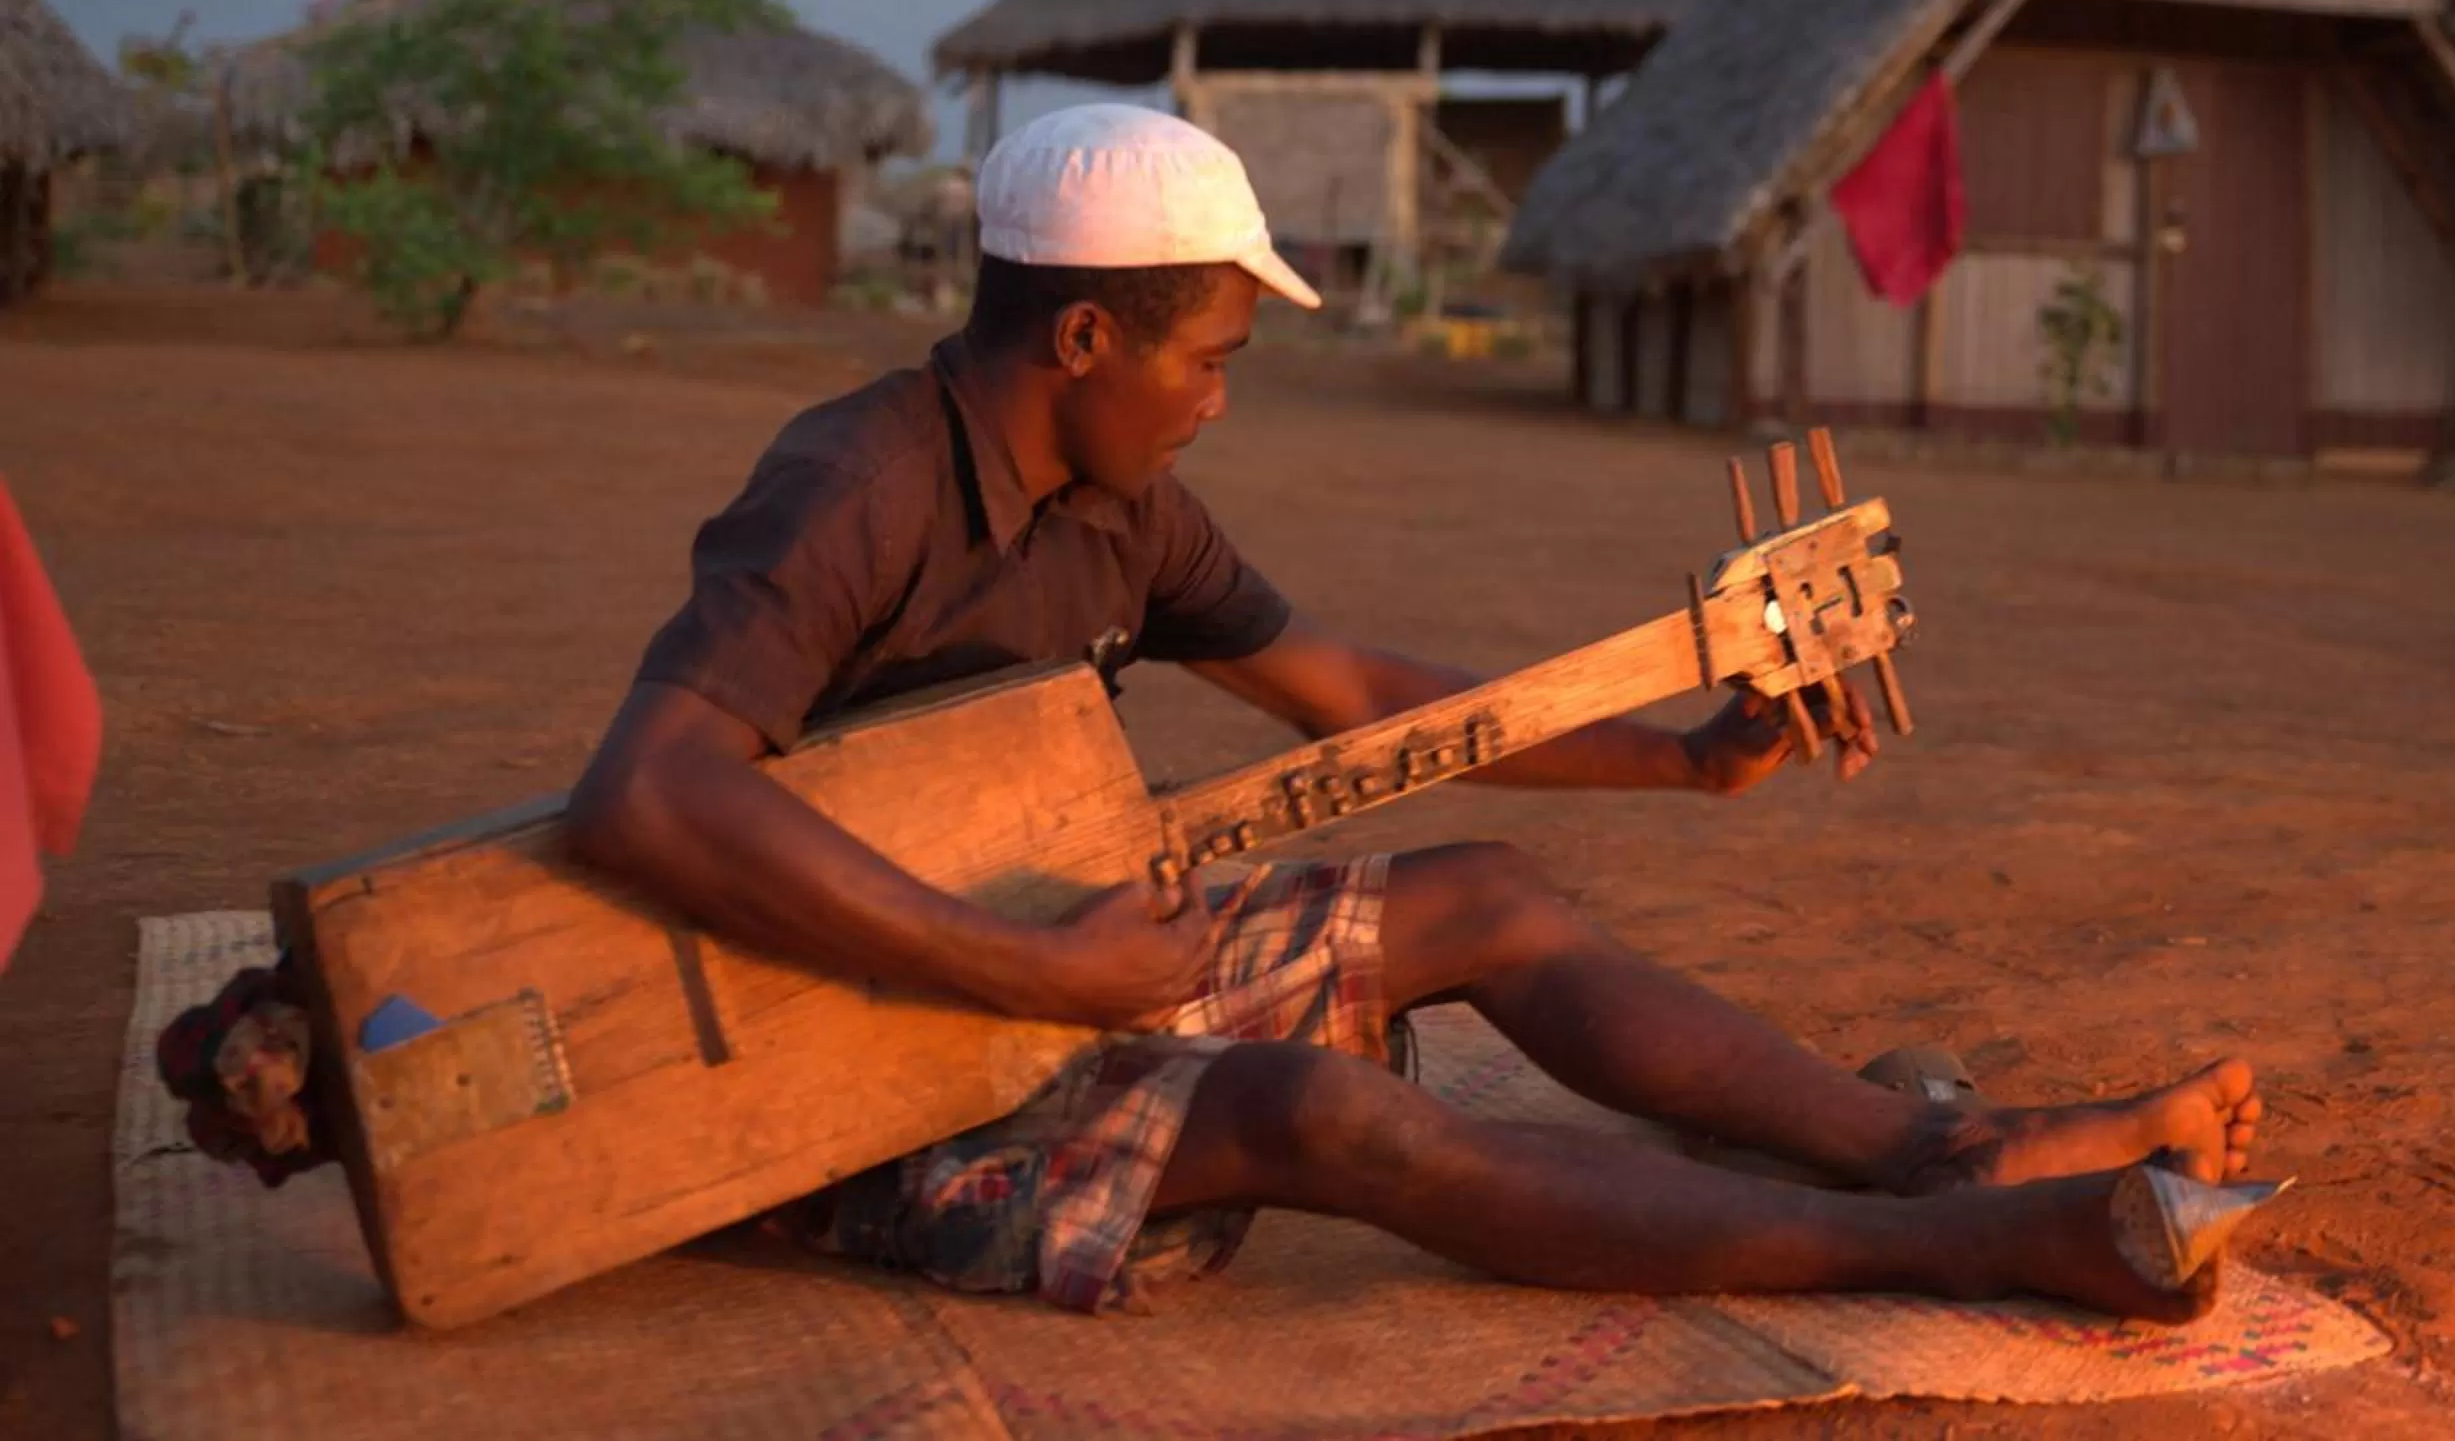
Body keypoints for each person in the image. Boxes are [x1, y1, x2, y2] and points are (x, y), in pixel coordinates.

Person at [567, 103, 2262, 1321]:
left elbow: (1359, 697)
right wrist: (1038, 970)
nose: (1219, 398)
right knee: (1327, 1115)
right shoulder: (856, 480)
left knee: (1493, 897)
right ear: (1086, 333)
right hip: (854, 1080)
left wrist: (1679, 755)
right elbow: (648, 790)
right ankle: (1962, 1252)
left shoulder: (1121, 508)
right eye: (1209, 357)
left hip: (1049, 961)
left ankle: (1936, 1148)